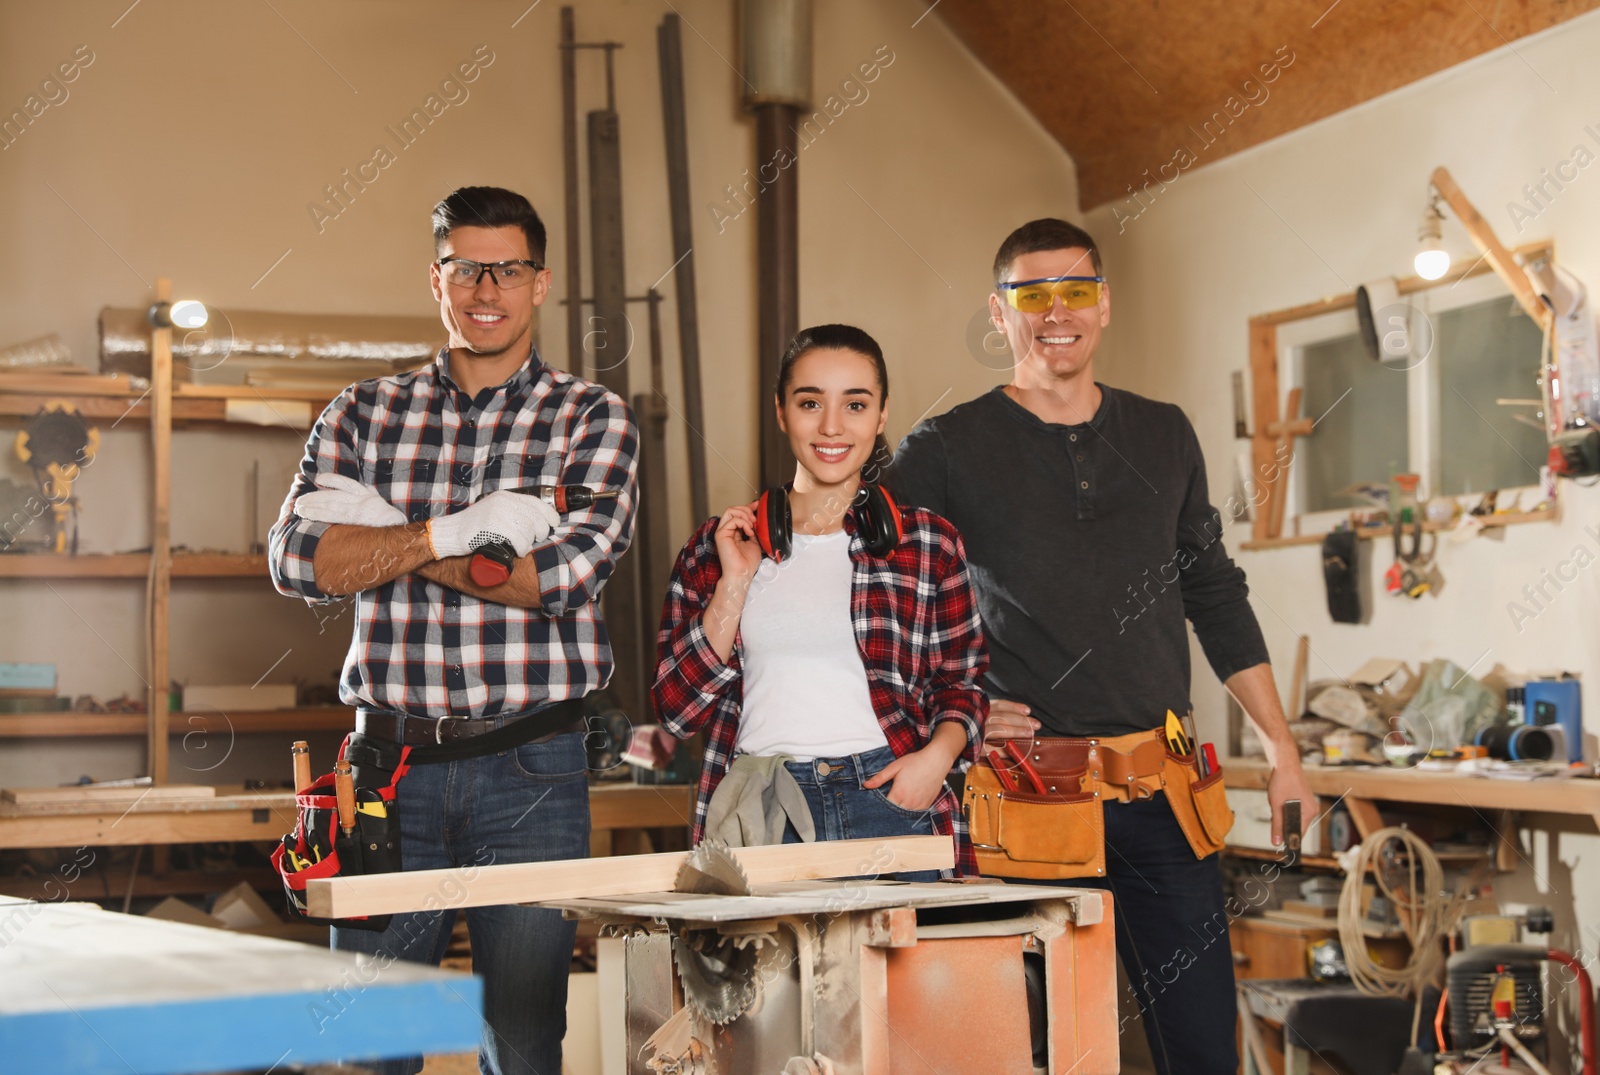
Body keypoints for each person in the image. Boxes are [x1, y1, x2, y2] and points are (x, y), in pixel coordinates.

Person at [889, 219, 1315, 1075]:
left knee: (1202, 1052)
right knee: (1029, 1056)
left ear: (1105, 304)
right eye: (1032, 294)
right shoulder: (948, 446)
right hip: (1025, 799)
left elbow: (1215, 595)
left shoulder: (1164, 433)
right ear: (999, 312)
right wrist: (949, 712)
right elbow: (873, 590)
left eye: (1075, 290)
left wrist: (1283, 750)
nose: (1057, 311)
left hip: (1164, 794)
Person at [268, 186, 638, 1075]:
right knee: (373, 1047)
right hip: (387, 772)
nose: (486, 288)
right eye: (465, 266)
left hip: (532, 770)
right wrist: (454, 533)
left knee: (521, 1042)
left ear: (540, 281)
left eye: (507, 268)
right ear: (436, 278)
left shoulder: (591, 419)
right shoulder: (361, 414)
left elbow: (564, 576)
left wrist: (384, 533)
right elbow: (294, 559)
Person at [652, 324, 987, 876]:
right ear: (782, 412)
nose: (832, 426)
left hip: (890, 798)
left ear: (880, 416)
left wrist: (936, 759)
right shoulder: (719, 546)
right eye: (810, 403)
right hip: (762, 809)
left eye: (855, 404)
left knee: (904, 965)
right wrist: (735, 583)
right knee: (771, 967)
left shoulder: (928, 542)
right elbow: (678, 711)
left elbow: (962, 684)